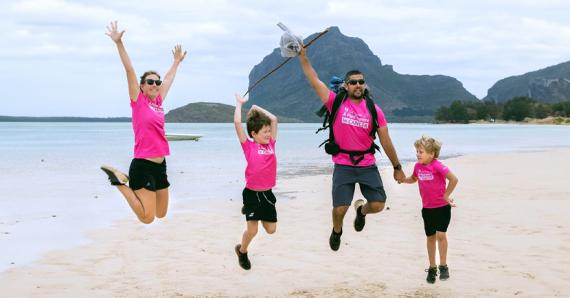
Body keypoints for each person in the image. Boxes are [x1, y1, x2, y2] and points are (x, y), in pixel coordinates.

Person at [297, 46, 405, 251]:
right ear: (346, 86)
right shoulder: (334, 102)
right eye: (353, 82)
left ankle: (362, 212)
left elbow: (386, 140)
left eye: (361, 82)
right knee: (339, 209)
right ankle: (337, 231)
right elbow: (314, 80)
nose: (357, 85)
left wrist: (397, 166)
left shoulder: (375, 110)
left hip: (366, 164)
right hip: (343, 164)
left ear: (365, 85)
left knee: (378, 205)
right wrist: (303, 57)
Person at [100, 21, 186, 224]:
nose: (155, 84)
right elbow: (129, 70)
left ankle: (124, 183)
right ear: (142, 86)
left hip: (160, 165)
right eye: (150, 82)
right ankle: (120, 183)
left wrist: (176, 62)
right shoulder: (138, 101)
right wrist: (119, 43)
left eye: (157, 82)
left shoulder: (158, 102)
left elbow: (169, 79)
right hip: (142, 166)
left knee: (161, 213)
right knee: (147, 219)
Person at [401, 136, 459, 284]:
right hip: (427, 209)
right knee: (430, 237)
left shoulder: (438, 165)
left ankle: (443, 266)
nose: (418, 154)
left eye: (421, 151)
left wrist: (446, 195)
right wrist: (402, 180)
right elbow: (413, 179)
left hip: (442, 207)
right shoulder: (417, 166)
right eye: (417, 151)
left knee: (441, 235)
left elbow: (454, 179)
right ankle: (432, 267)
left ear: (432, 153)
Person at [233, 94, 278, 270]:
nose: (268, 134)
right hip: (252, 193)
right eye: (264, 132)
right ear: (254, 134)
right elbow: (237, 124)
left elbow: (274, 119)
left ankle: (250, 210)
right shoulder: (248, 146)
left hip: (267, 194)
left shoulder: (271, 145)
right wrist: (239, 104)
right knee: (253, 231)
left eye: (269, 131)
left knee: (271, 230)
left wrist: (256, 107)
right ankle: (242, 251)